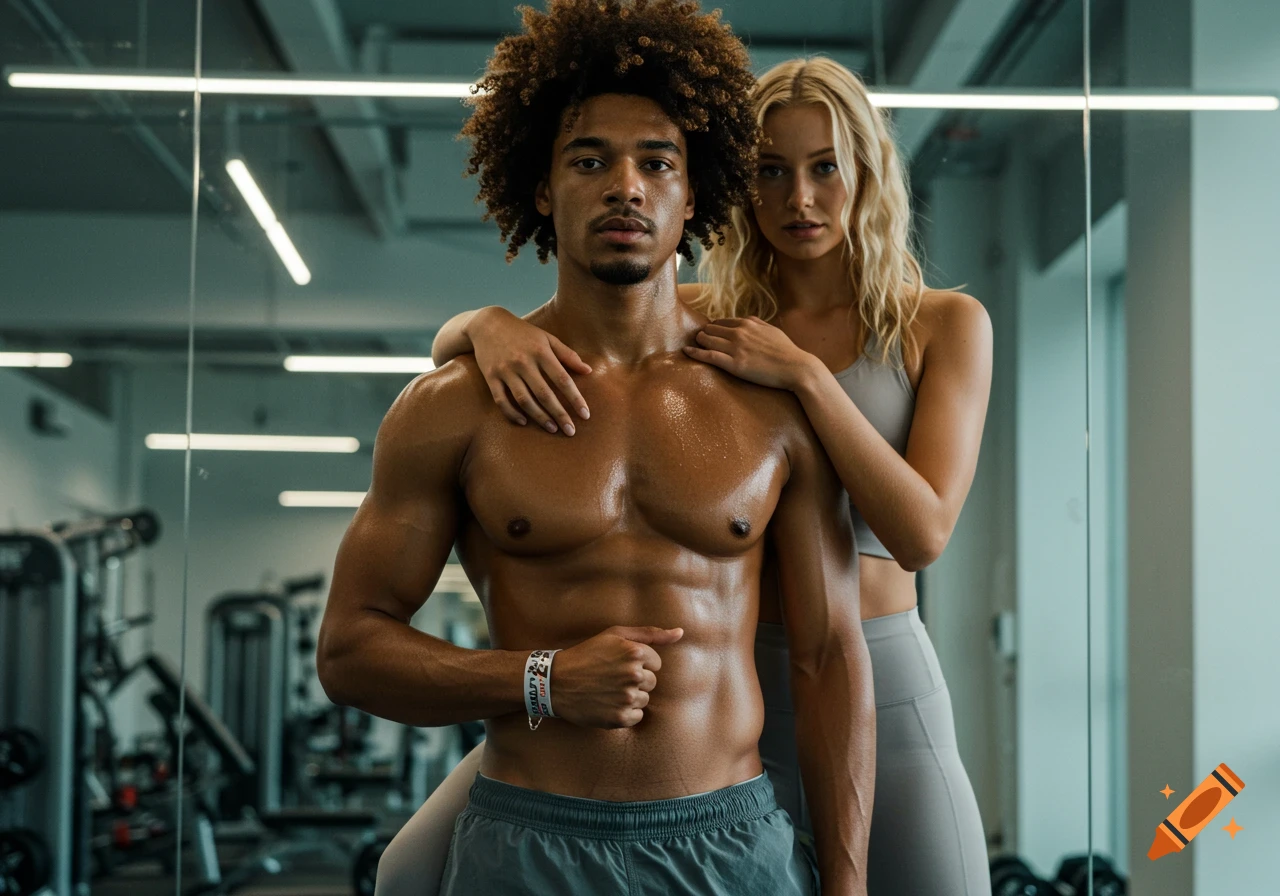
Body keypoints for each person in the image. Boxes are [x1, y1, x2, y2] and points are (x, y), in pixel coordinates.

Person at [383, 55, 995, 896]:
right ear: (735, 183)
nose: (800, 200)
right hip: (715, 678)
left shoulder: (941, 322)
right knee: (407, 869)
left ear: (870, 173)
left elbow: (921, 534)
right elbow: (555, 326)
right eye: (771, 173)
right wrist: (481, 325)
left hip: (869, 667)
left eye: (826, 170)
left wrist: (807, 379)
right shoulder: (712, 309)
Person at [320, 3, 875, 895]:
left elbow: (831, 657)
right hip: (528, 840)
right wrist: (539, 680)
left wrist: (847, 885)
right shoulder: (454, 407)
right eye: (590, 161)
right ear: (541, 188)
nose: (627, 186)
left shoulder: (774, 401)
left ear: (694, 195)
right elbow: (348, 651)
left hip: (728, 841)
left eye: (657, 162)